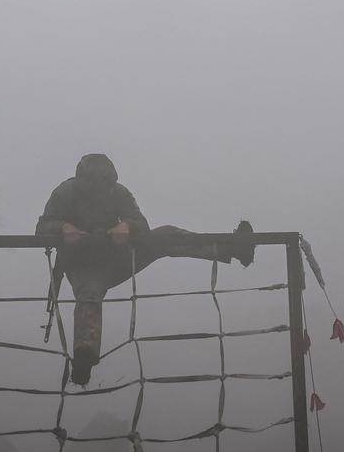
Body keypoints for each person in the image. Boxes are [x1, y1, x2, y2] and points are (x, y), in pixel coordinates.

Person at [36, 153, 254, 385]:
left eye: (106, 184)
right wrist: (63, 228)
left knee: (167, 235)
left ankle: (232, 249)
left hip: (117, 258)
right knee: (89, 295)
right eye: (97, 185)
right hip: (82, 264)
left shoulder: (119, 192)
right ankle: (84, 358)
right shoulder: (65, 193)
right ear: (84, 182)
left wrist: (126, 225)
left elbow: (142, 225)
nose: (102, 190)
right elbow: (42, 228)